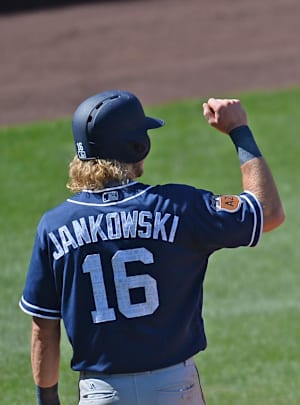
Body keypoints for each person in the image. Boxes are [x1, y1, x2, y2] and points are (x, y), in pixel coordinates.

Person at [19, 90, 285, 405]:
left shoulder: (54, 226)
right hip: (173, 390)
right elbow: (267, 212)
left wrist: (46, 400)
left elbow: (44, 331)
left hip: (101, 394)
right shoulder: (179, 207)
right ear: (137, 147)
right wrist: (239, 129)